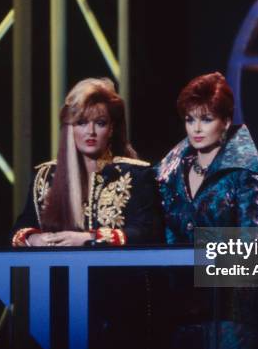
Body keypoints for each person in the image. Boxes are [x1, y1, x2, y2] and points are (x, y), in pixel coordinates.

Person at [154, 72, 258, 349]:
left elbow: (251, 239)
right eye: (190, 119)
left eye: (206, 119)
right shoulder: (168, 172)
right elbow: (164, 233)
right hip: (180, 304)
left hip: (229, 306)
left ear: (226, 121)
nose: (197, 128)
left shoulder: (244, 172)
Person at [11, 77, 160, 247]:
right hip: (59, 271)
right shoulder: (45, 176)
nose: (91, 132)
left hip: (113, 272)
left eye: (100, 123)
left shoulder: (134, 175)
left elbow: (149, 233)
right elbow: (20, 228)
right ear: (70, 128)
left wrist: (89, 238)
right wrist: (34, 239)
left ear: (111, 128)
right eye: (81, 123)